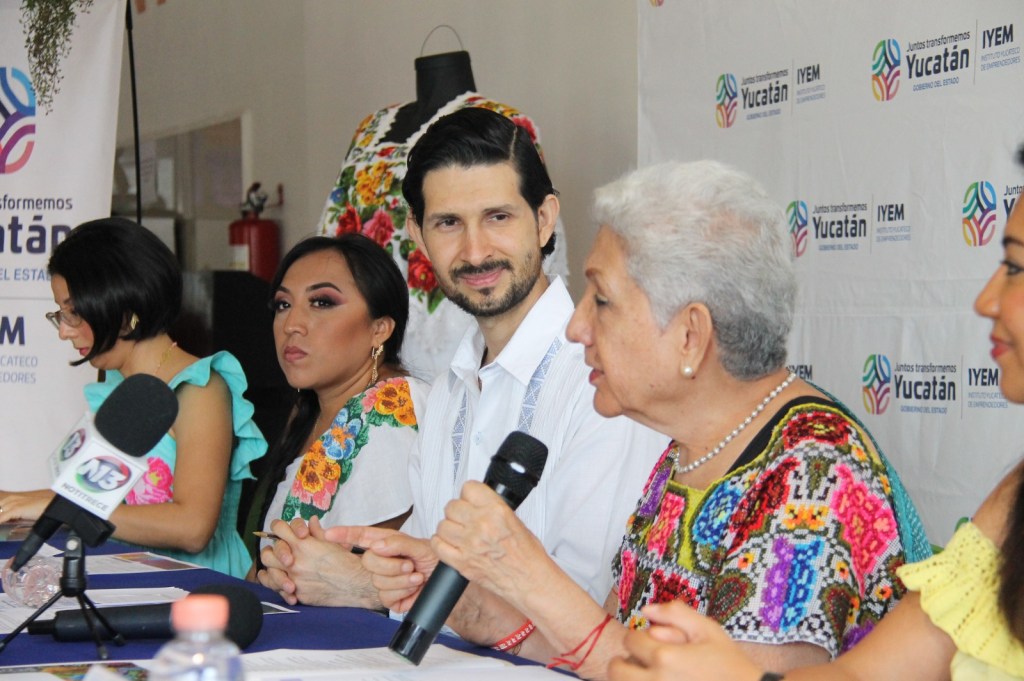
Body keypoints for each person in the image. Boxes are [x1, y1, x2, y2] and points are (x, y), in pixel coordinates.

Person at [360, 160, 932, 677]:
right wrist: (481, 610)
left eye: (602, 301)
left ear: (690, 335)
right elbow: (618, 649)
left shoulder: (812, 474)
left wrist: (527, 572)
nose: (576, 327)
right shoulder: (691, 450)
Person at [606, 149, 1024, 681]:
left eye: (1015, 267)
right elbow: (864, 676)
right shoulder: (1015, 497)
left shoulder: (813, 466)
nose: (987, 300)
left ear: (692, 331)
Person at [258, 107, 665, 637]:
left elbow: (583, 618)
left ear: (544, 220)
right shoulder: (452, 384)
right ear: (418, 234)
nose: (475, 252)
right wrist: (339, 572)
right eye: (448, 223)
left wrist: (365, 585)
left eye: (498, 217)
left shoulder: (602, 383)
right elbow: (426, 560)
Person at [0, 217, 266, 579]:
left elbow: (192, 528)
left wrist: (57, 504)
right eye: (60, 314)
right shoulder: (116, 386)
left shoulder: (199, 389)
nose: (64, 331)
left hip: (198, 586)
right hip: (134, 577)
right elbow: (94, 497)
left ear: (123, 308)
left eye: (74, 313)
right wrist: (15, 502)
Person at [248, 234, 428, 577]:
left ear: (380, 329)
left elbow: (372, 576)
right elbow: (265, 569)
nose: (291, 325)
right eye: (283, 305)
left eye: (322, 302)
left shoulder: (391, 411)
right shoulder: (308, 411)